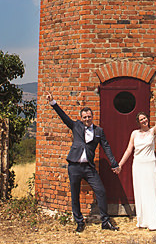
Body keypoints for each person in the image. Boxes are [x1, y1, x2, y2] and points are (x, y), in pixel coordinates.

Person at [45, 93, 121, 232]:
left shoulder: (99, 131)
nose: (87, 119)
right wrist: (53, 103)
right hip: (74, 166)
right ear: (81, 118)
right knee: (75, 194)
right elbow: (63, 117)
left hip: (89, 168)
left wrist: (114, 163)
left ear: (92, 117)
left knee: (101, 192)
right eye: (85, 117)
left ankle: (105, 222)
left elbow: (106, 147)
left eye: (89, 117)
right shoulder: (75, 126)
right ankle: (79, 222)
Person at [117, 104, 156, 230]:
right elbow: (129, 150)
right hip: (138, 164)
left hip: (149, 164)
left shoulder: (152, 132)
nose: (144, 121)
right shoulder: (134, 133)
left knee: (150, 191)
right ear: (138, 122)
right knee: (140, 192)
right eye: (141, 120)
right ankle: (143, 221)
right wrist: (120, 164)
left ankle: (153, 221)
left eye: (145, 118)